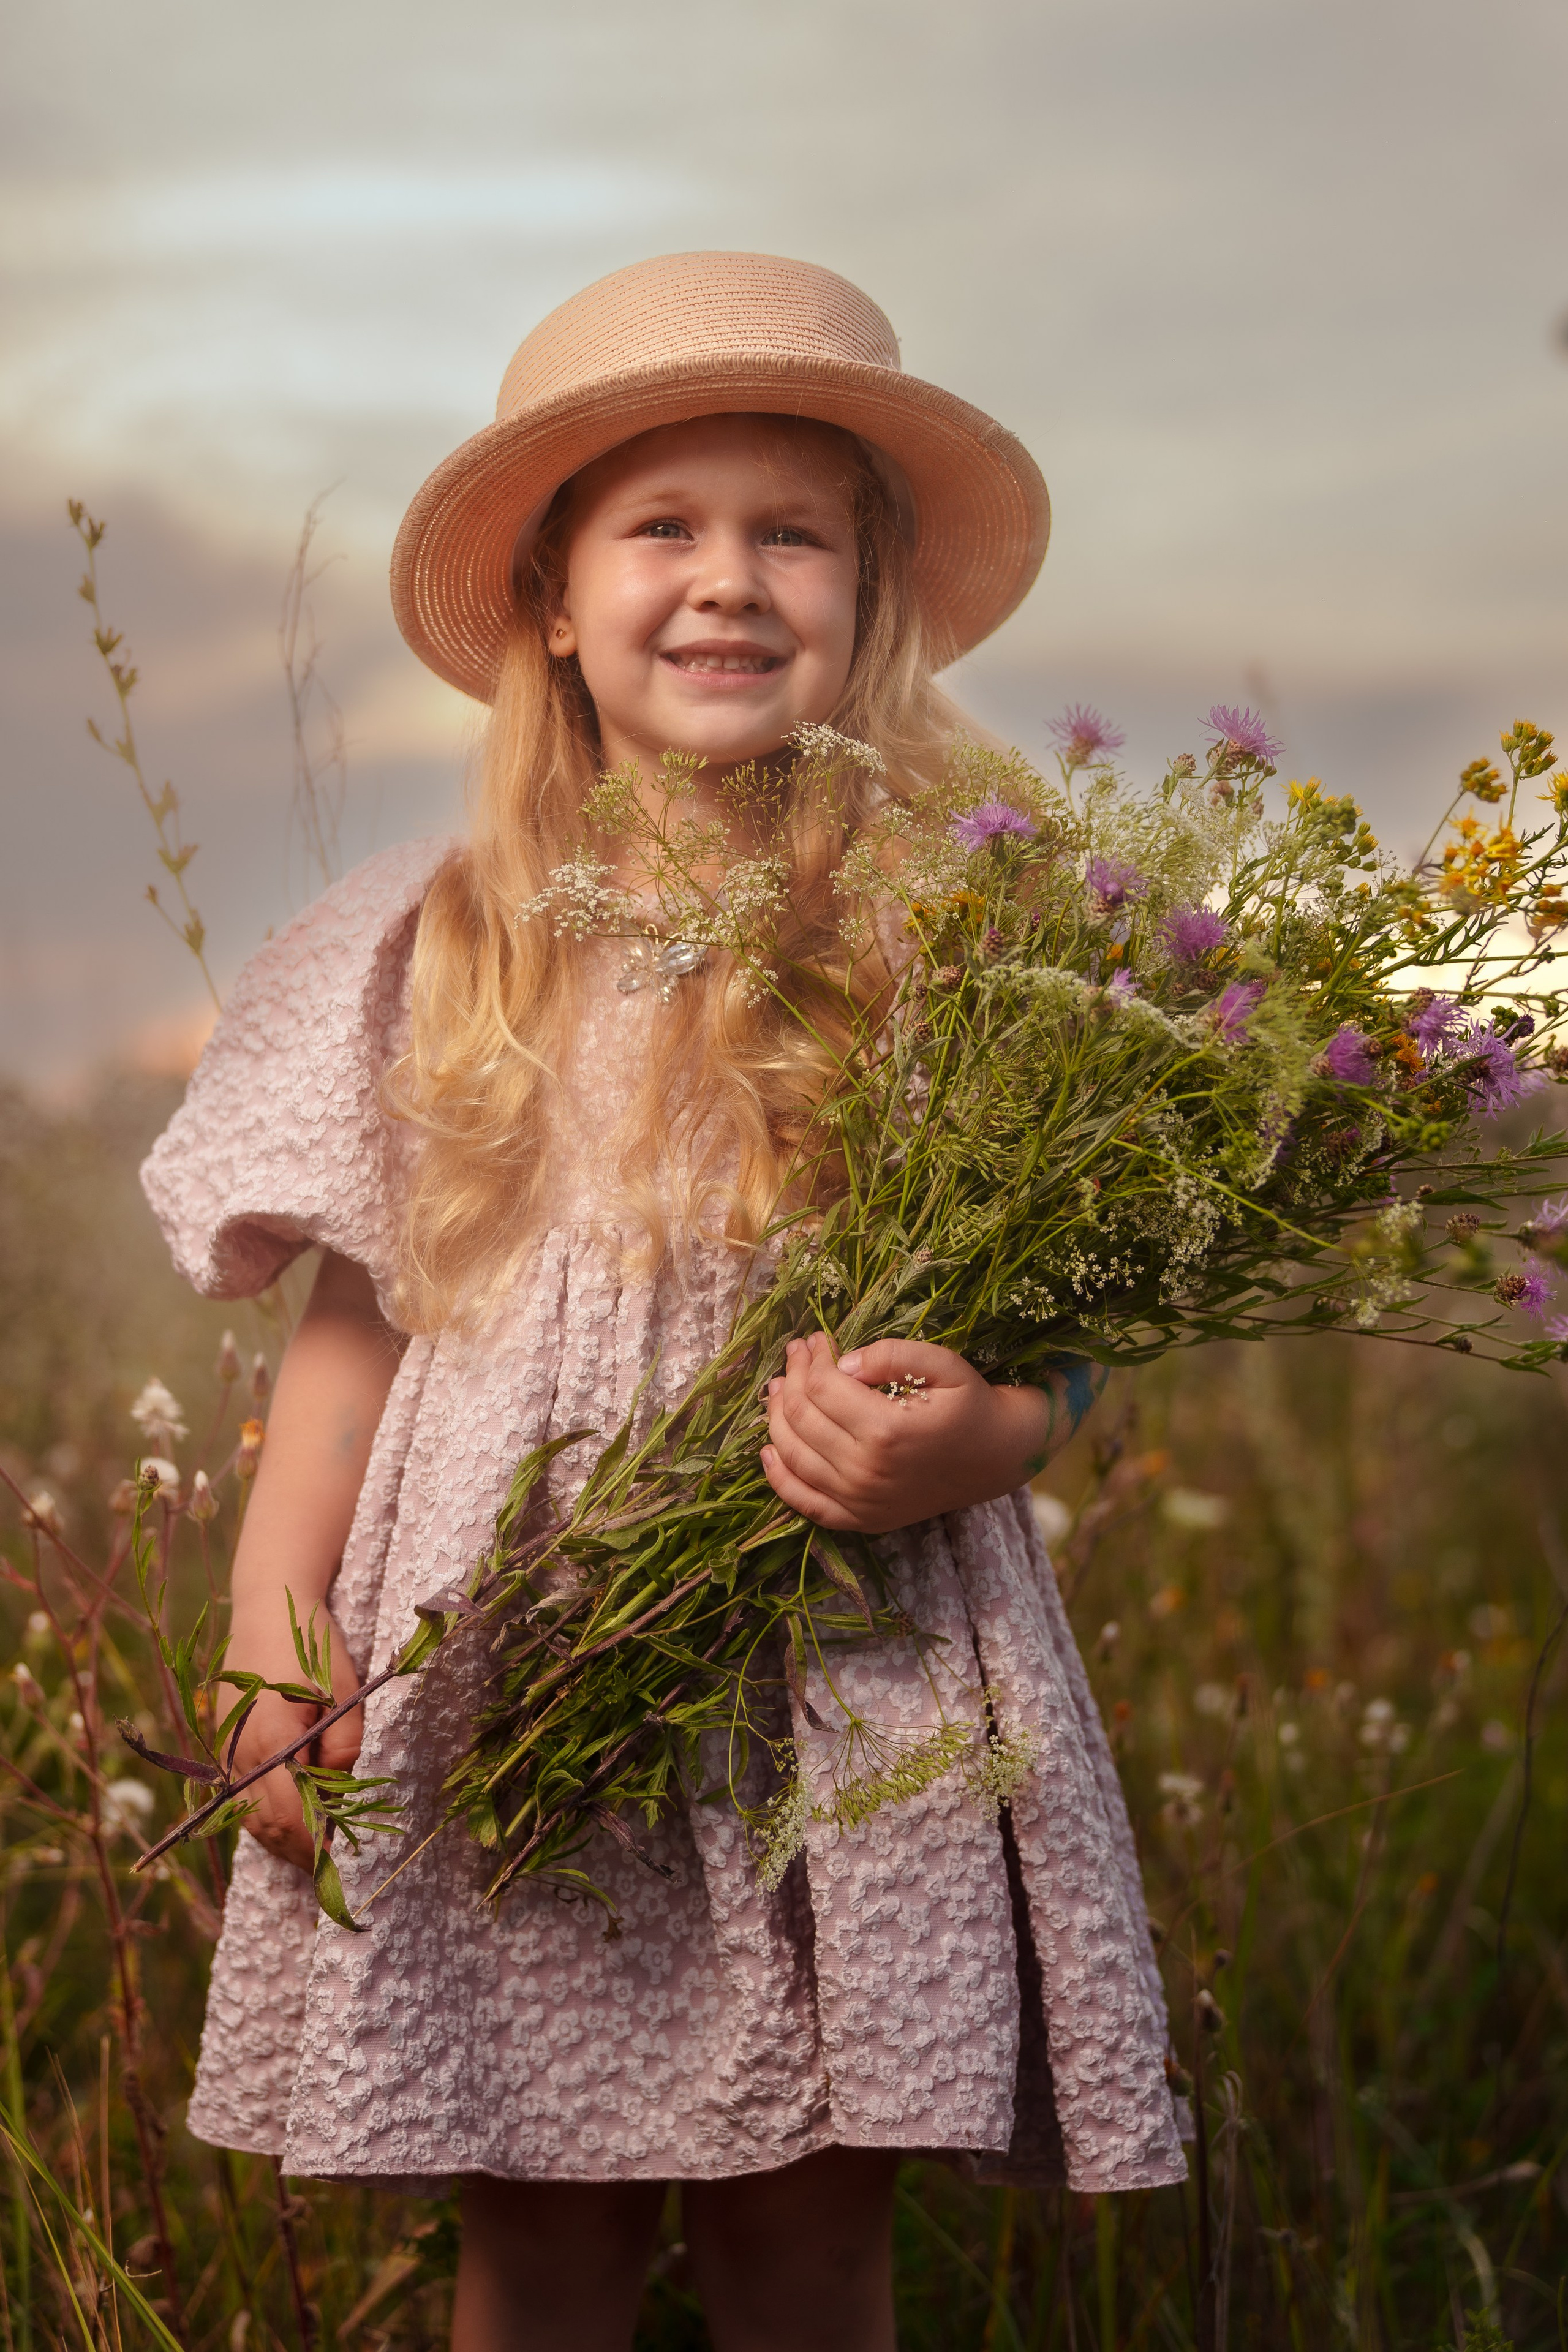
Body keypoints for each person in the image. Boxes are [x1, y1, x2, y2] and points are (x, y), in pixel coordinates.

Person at [143, 252, 1184, 2352]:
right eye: (663, 527)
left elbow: (1077, 1324)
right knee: (540, 2234)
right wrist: (276, 1618)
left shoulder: (966, 937)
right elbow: (358, 1319)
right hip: (521, 1649)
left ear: (868, 593)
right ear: (549, 593)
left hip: (847, 1648)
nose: (728, 581)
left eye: (789, 532)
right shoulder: (428, 939)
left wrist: (983, 1436)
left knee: (813, 2232)